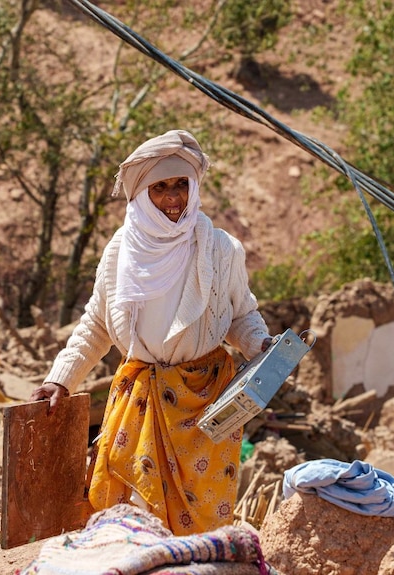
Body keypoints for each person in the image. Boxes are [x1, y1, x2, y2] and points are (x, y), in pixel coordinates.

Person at [30, 129, 272, 536]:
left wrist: (264, 347)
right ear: (141, 195)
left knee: (200, 526)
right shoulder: (119, 253)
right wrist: (60, 379)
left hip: (204, 402)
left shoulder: (220, 249)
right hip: (140, 401)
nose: (173, 198)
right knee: (132, 516)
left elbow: (240, 315)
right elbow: (96, 324)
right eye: (160, 188)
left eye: (181, 185)